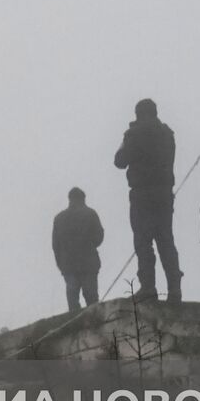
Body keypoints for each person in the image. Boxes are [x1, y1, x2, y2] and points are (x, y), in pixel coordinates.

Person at [113, 98, 182, 303]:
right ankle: (175, 288)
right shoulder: (167, 134)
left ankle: (149, 287)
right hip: (164, 193)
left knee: (144, 241)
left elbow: (119, 161)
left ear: (138, 114)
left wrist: (128, 137)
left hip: (142, 193)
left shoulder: (133, 134)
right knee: (166, 240)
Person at [52, 187, 105, 312]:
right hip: (89, 264)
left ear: (70, 199)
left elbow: (55, 245)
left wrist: (61, 264)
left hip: (68, 266)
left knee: (73, 301)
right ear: (83, 198)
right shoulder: (90, 213)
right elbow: (99, 236)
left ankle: (75, 324)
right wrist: (90, 244)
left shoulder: (59, 218)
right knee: (92, 301)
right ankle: (95, 326)